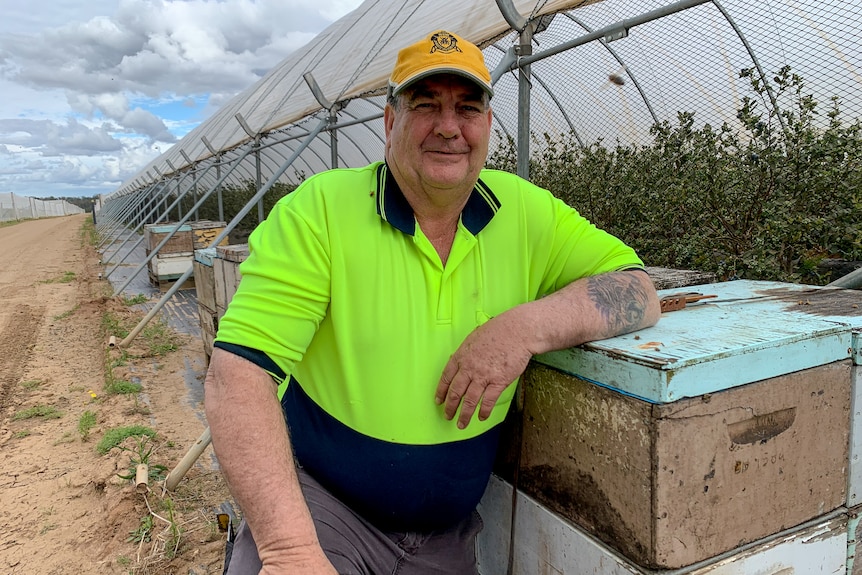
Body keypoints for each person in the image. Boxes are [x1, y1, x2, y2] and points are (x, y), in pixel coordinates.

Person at [205, 30, 661, 575]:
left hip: (447, 538)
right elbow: (237, 377)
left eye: (468, 108)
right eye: (427, 105)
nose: (449, 126)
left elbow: (638, 290)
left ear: (489, 126)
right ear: (391, 121)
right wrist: (291, 552)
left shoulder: (526, 212)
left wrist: (521, 328)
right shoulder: (320, 212)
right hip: (325, 516)